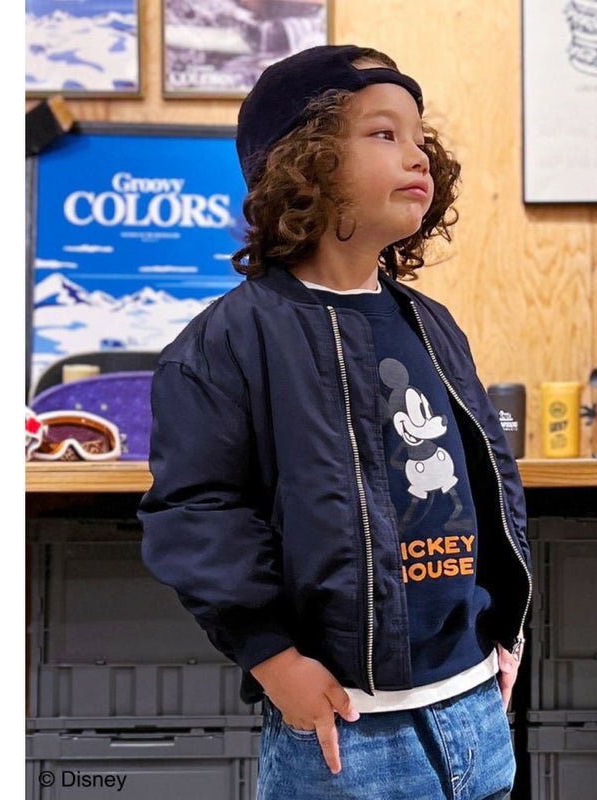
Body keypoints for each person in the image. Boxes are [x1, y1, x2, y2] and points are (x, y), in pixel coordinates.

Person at [138, 44, 532, 800]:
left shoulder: (433, 325)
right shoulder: (229, 341)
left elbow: (491, 476)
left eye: (419, 138)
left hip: (478, 707)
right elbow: (195, 512)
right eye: (383, 134)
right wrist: (272, 659)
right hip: (345, 734)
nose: (416, 156)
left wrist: (505, 627)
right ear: (304, 165)